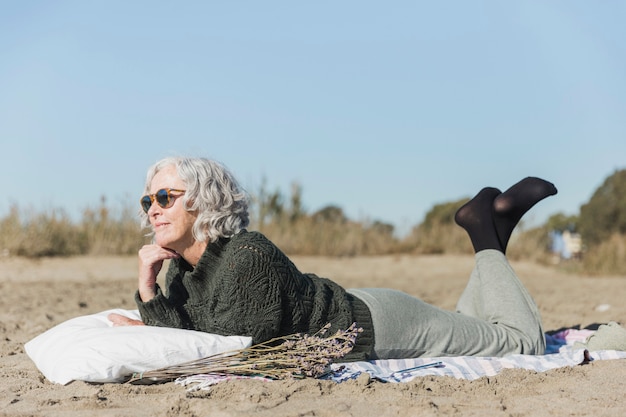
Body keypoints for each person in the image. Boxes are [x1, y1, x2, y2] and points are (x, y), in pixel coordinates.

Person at [108, 156, 558, 361]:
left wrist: (151, 319)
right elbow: (193, 337)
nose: (152, 209)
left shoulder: (247, 255)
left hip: (378, 326)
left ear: (203, 200)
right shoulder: (181, 274)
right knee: (471, 324)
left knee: (519, 342)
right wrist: (150, 291)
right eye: (147, 200)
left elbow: (224, 349)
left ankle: (486, 233)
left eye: (165, 196)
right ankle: (497, 222)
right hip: (358, 307)